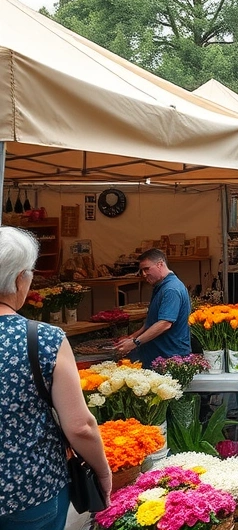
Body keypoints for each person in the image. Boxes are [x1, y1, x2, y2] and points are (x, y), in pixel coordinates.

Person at [0, 226, 112, 528]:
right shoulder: (42, 339)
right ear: (20, 278)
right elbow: (80, 426)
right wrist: (102, 471)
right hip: (31, 490)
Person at [115, 248, 191, 367]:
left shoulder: (171, 289)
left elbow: (164, 324)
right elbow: (151, 323)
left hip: (169, 358)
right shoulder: (161, 286)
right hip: (158, 356)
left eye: (146, 269)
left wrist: (135, 342)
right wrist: (132, 337)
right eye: (142, 271)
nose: (144, 274)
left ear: (160, 264)